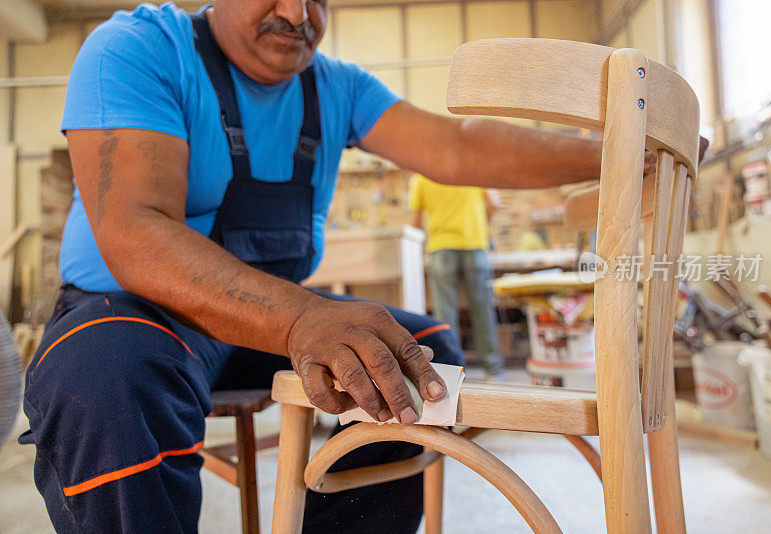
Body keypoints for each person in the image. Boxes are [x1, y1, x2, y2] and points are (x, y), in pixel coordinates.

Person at [18, 1, 621, 532]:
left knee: (421, 352)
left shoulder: (337, 88)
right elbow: (136, 235)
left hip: (256, 326)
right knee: (107, 383)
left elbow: (456, 144)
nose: (298, 14)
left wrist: (612, 151)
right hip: (135, 311)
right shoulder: (140, 49)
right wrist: (303, 317)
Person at [409, 175, 505, 378]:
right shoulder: (471, 169)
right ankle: (493, 370)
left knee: (446, 314)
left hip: (441, 247)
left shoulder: (422, 176)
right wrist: (480, 221)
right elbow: (494, 203)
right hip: (474, 243)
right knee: (483, 311)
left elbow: (415, 223)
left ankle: (452, 372)